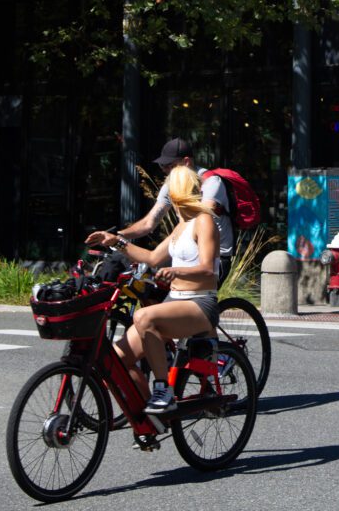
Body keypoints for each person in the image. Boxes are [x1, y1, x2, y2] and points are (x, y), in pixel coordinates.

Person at [86, 163, 219, 415]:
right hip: (175, 302)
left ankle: (163, 390)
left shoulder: (204, 222)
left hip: (200, 304)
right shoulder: (181, 227)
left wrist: (177, 271)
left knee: (144, 316)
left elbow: (208, 270)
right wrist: (117, 241)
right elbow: (152, 257)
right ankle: (152, 418)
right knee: (117, 359)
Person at [92, 138, 234, 278]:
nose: (166, 170)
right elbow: (149, 223)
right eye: (163, 167)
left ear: (186, 161)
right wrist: (119, 236)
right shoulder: (171, 185)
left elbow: (204, 214)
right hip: (185, 250)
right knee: (140, 280)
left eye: (170, 166)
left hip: (215, 257)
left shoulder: (211, 182)